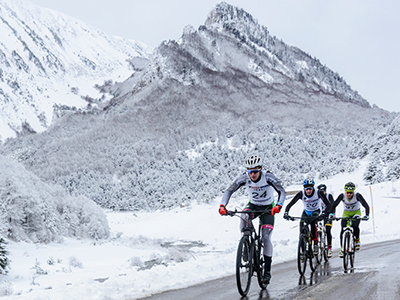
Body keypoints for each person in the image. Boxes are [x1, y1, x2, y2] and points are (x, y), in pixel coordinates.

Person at [219, 154, 286, 284]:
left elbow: (282, 191)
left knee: (266, 237)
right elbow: (229, 191)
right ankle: (246, 244)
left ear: (260, 169)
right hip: (254, 205)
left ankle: (266, 271)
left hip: (268, 208)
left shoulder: (268, 177)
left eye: (255, 171)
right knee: (244, 215)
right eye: (250, 171)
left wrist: (279, 205)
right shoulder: (244, 178)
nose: (252, 174)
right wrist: (222, 205)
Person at [283, 179, 331, 255]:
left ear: (313, 188)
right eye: (306, 188)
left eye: (310, 188)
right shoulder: (301, 194)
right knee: (301, 227)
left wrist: (324, 213)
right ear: (304, 188)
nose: (308, 191)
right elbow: (291, 203)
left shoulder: (318, 193)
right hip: (306, 212)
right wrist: (286, 212)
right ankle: (303, 250)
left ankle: (315, 243)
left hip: (316, 211)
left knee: (312, 223)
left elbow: (328, 205)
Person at [329, 182, 370, 257]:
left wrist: (367, 215)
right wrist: (332, 214)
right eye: (347, 192)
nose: (349, 194)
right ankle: (342, 249)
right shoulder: (342, 196)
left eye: (351, 193)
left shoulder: (357, 195)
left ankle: (357, 240)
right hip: (346, 213)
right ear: (345, 191)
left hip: (356, 212)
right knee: (342, 229)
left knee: (355, 225)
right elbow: (334, 205)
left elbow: (366, 205)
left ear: (353, 192)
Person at [317, 184, 334, 258]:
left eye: (323, 191)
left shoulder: (329, 196)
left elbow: (333, 205)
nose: (322, 193)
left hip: (328, 214)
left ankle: (329, 247)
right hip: (320, 214)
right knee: (316, 229)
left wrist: (332, 213)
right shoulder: (317, 197)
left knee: (327, 230)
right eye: (320, 191)